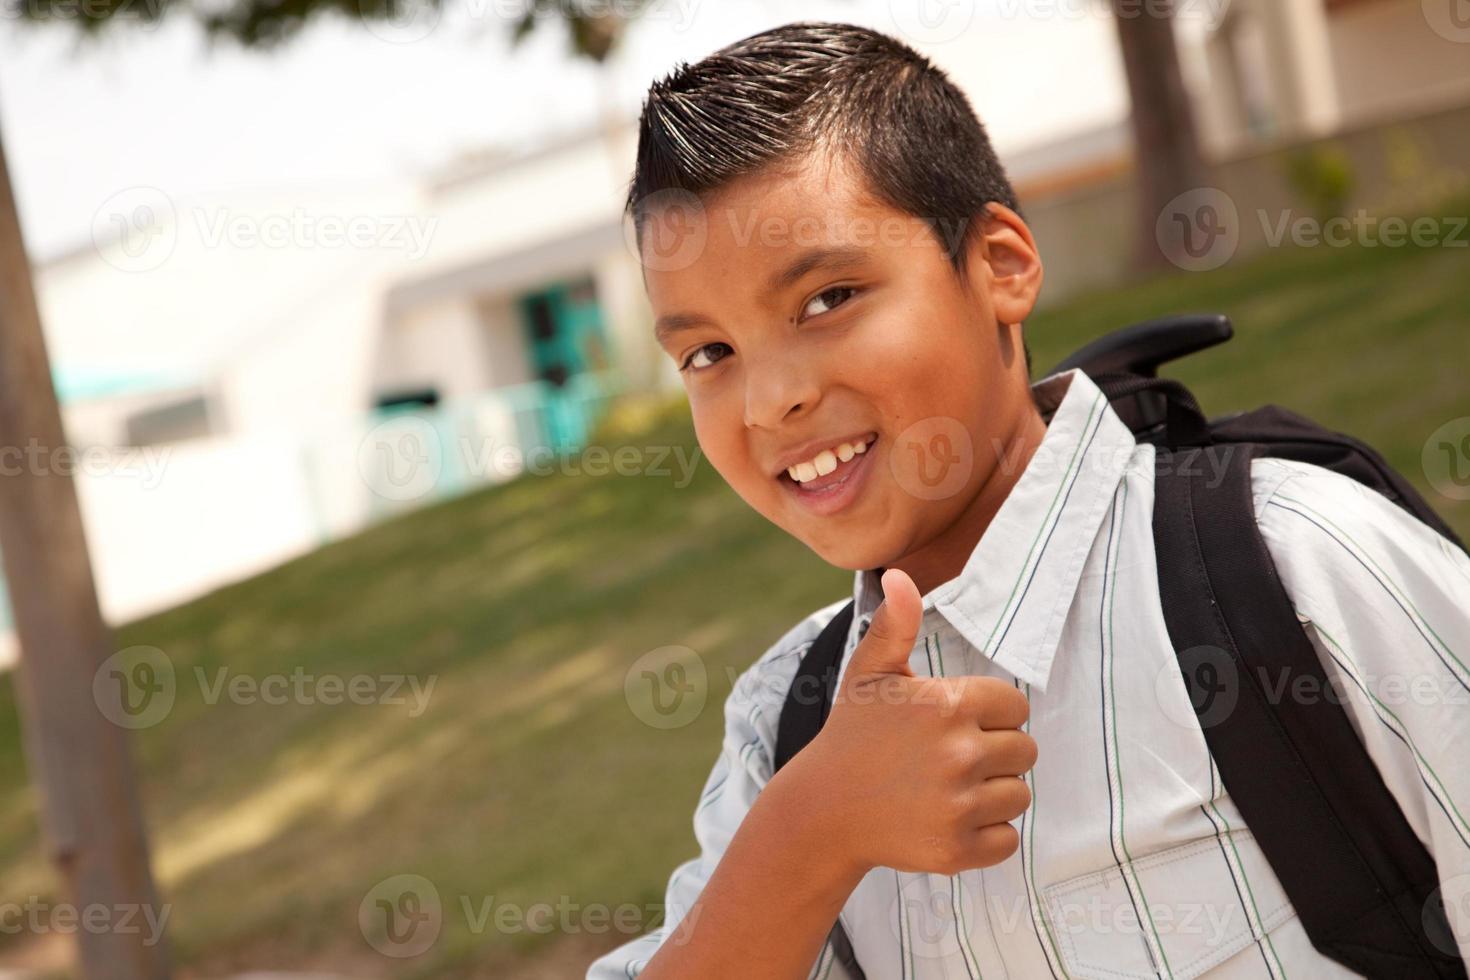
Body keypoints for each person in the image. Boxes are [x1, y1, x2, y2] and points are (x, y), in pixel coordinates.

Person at [590, 20, 1470, 979]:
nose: (772, 399)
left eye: (828, 299)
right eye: (708, 354)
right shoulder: (787, 731)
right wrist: (811, 832)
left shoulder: (1294, 562)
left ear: (1001, 266)